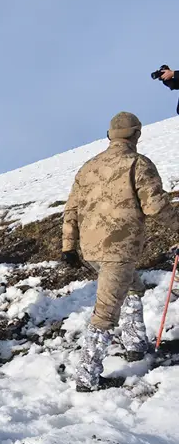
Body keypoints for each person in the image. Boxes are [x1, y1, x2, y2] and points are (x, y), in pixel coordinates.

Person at [62, 111, 179, 392]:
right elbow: (155, 207)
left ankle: (135, 345)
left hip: (91, 250)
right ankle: (86, 378)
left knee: (133, 288)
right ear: (137, 134)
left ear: (109, 136)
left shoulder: (87, 168)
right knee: (105, 313)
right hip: (119, 251)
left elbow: (71, 209)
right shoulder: (137, 163)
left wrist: (69, 246)